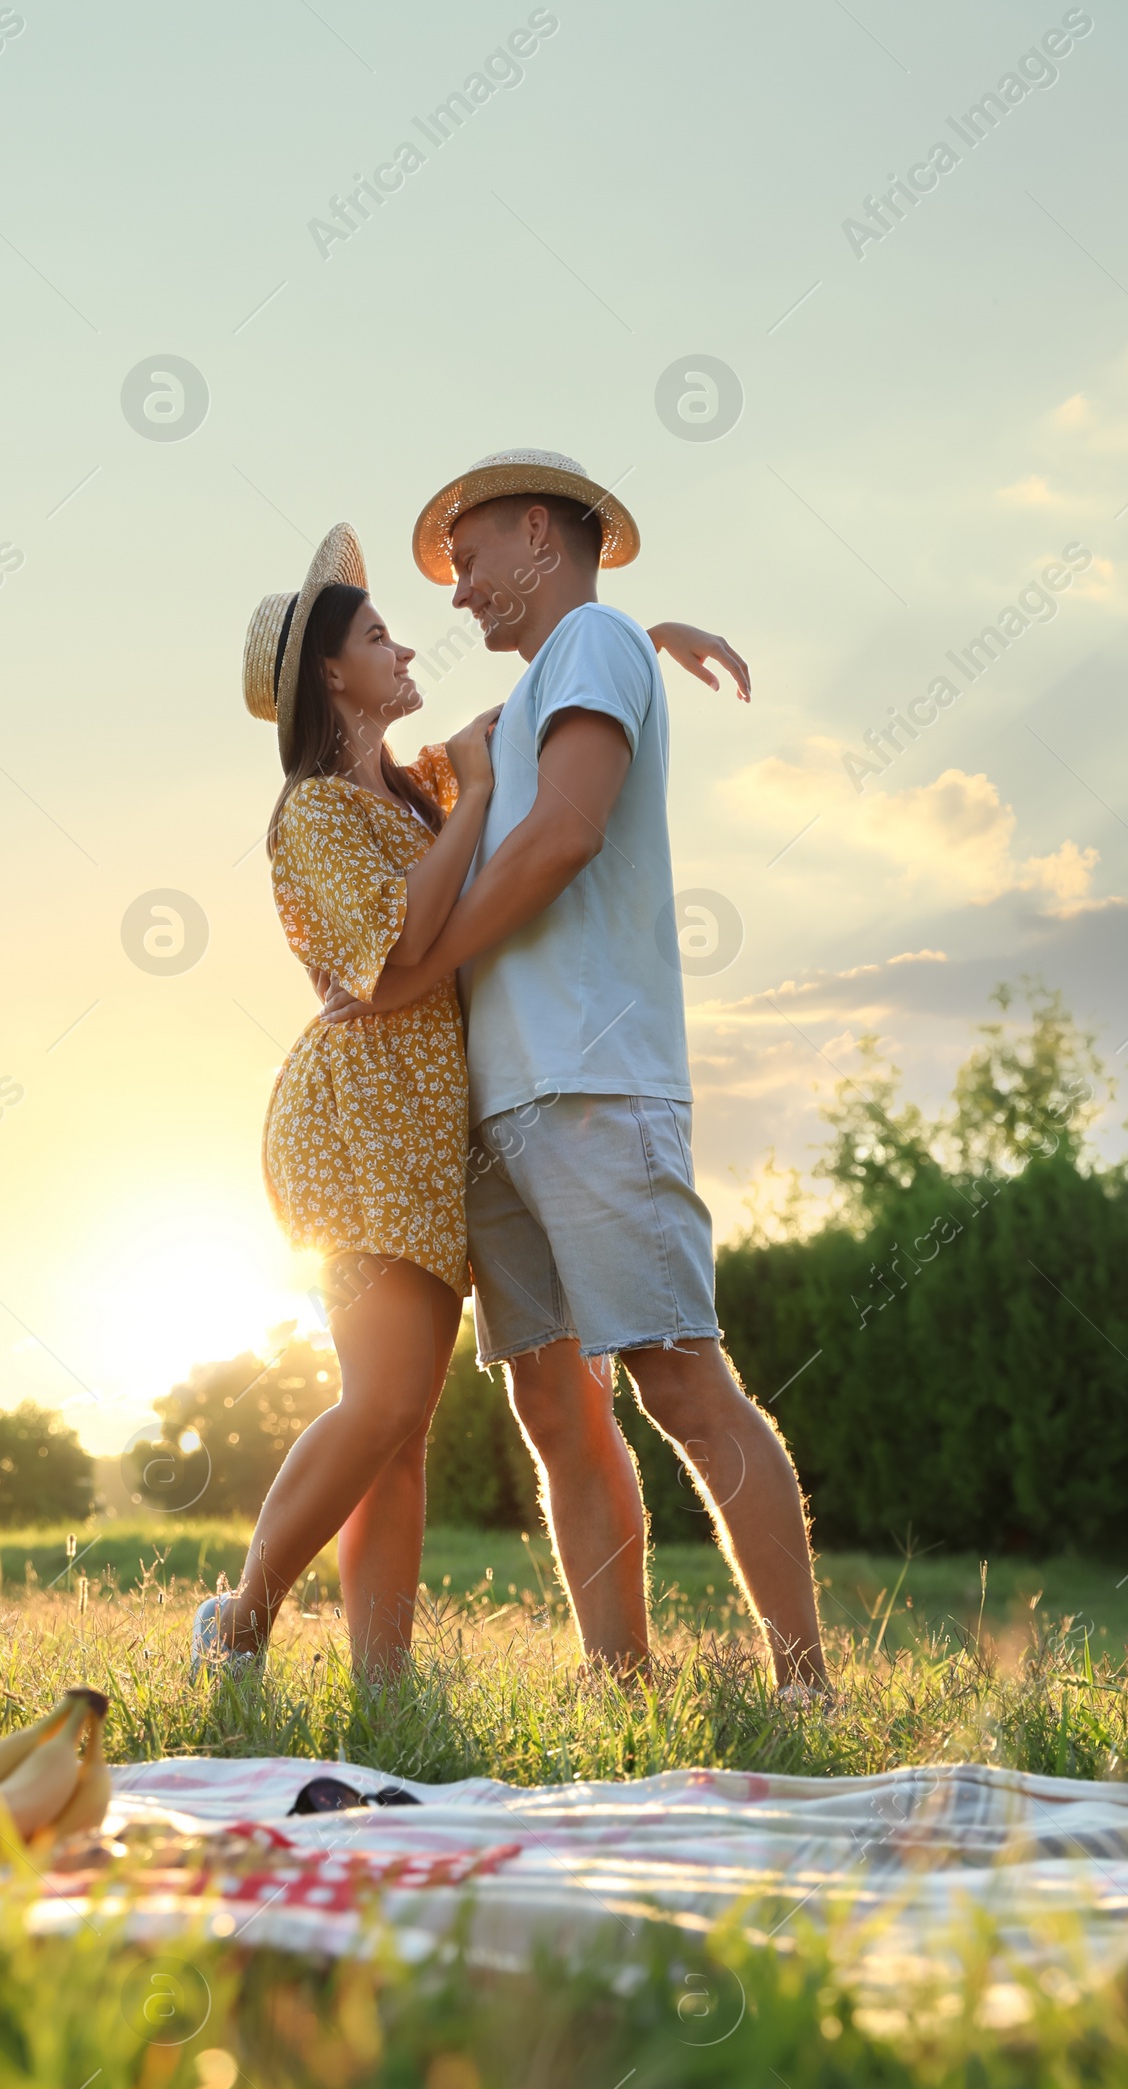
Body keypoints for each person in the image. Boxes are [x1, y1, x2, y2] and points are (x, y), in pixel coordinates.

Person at [196, 516, 748, 1677]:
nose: (410, 652)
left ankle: (381, 1686)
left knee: (401, 1428)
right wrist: (480, 787)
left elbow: (555, 693)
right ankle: (239, 1617)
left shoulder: (415, 783)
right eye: (382, 638)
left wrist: (642, 637)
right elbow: (398, 949)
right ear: (330, 678)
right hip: (355, 1123)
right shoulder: (315, 811)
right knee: (387, 1397)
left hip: (434, 1122)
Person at [319, 449, 828, 1692]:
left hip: (591, 1083)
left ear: (538, 533)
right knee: (558, 1415)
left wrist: (420, 959)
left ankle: (806, 1687)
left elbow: (564, 831)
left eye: (471, 559)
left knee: (682, 1383)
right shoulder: (581, 657)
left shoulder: (590, 644)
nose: (455, 595)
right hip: (506, 1104)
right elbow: (544, 737)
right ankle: (624, 1686)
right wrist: (643, 632)